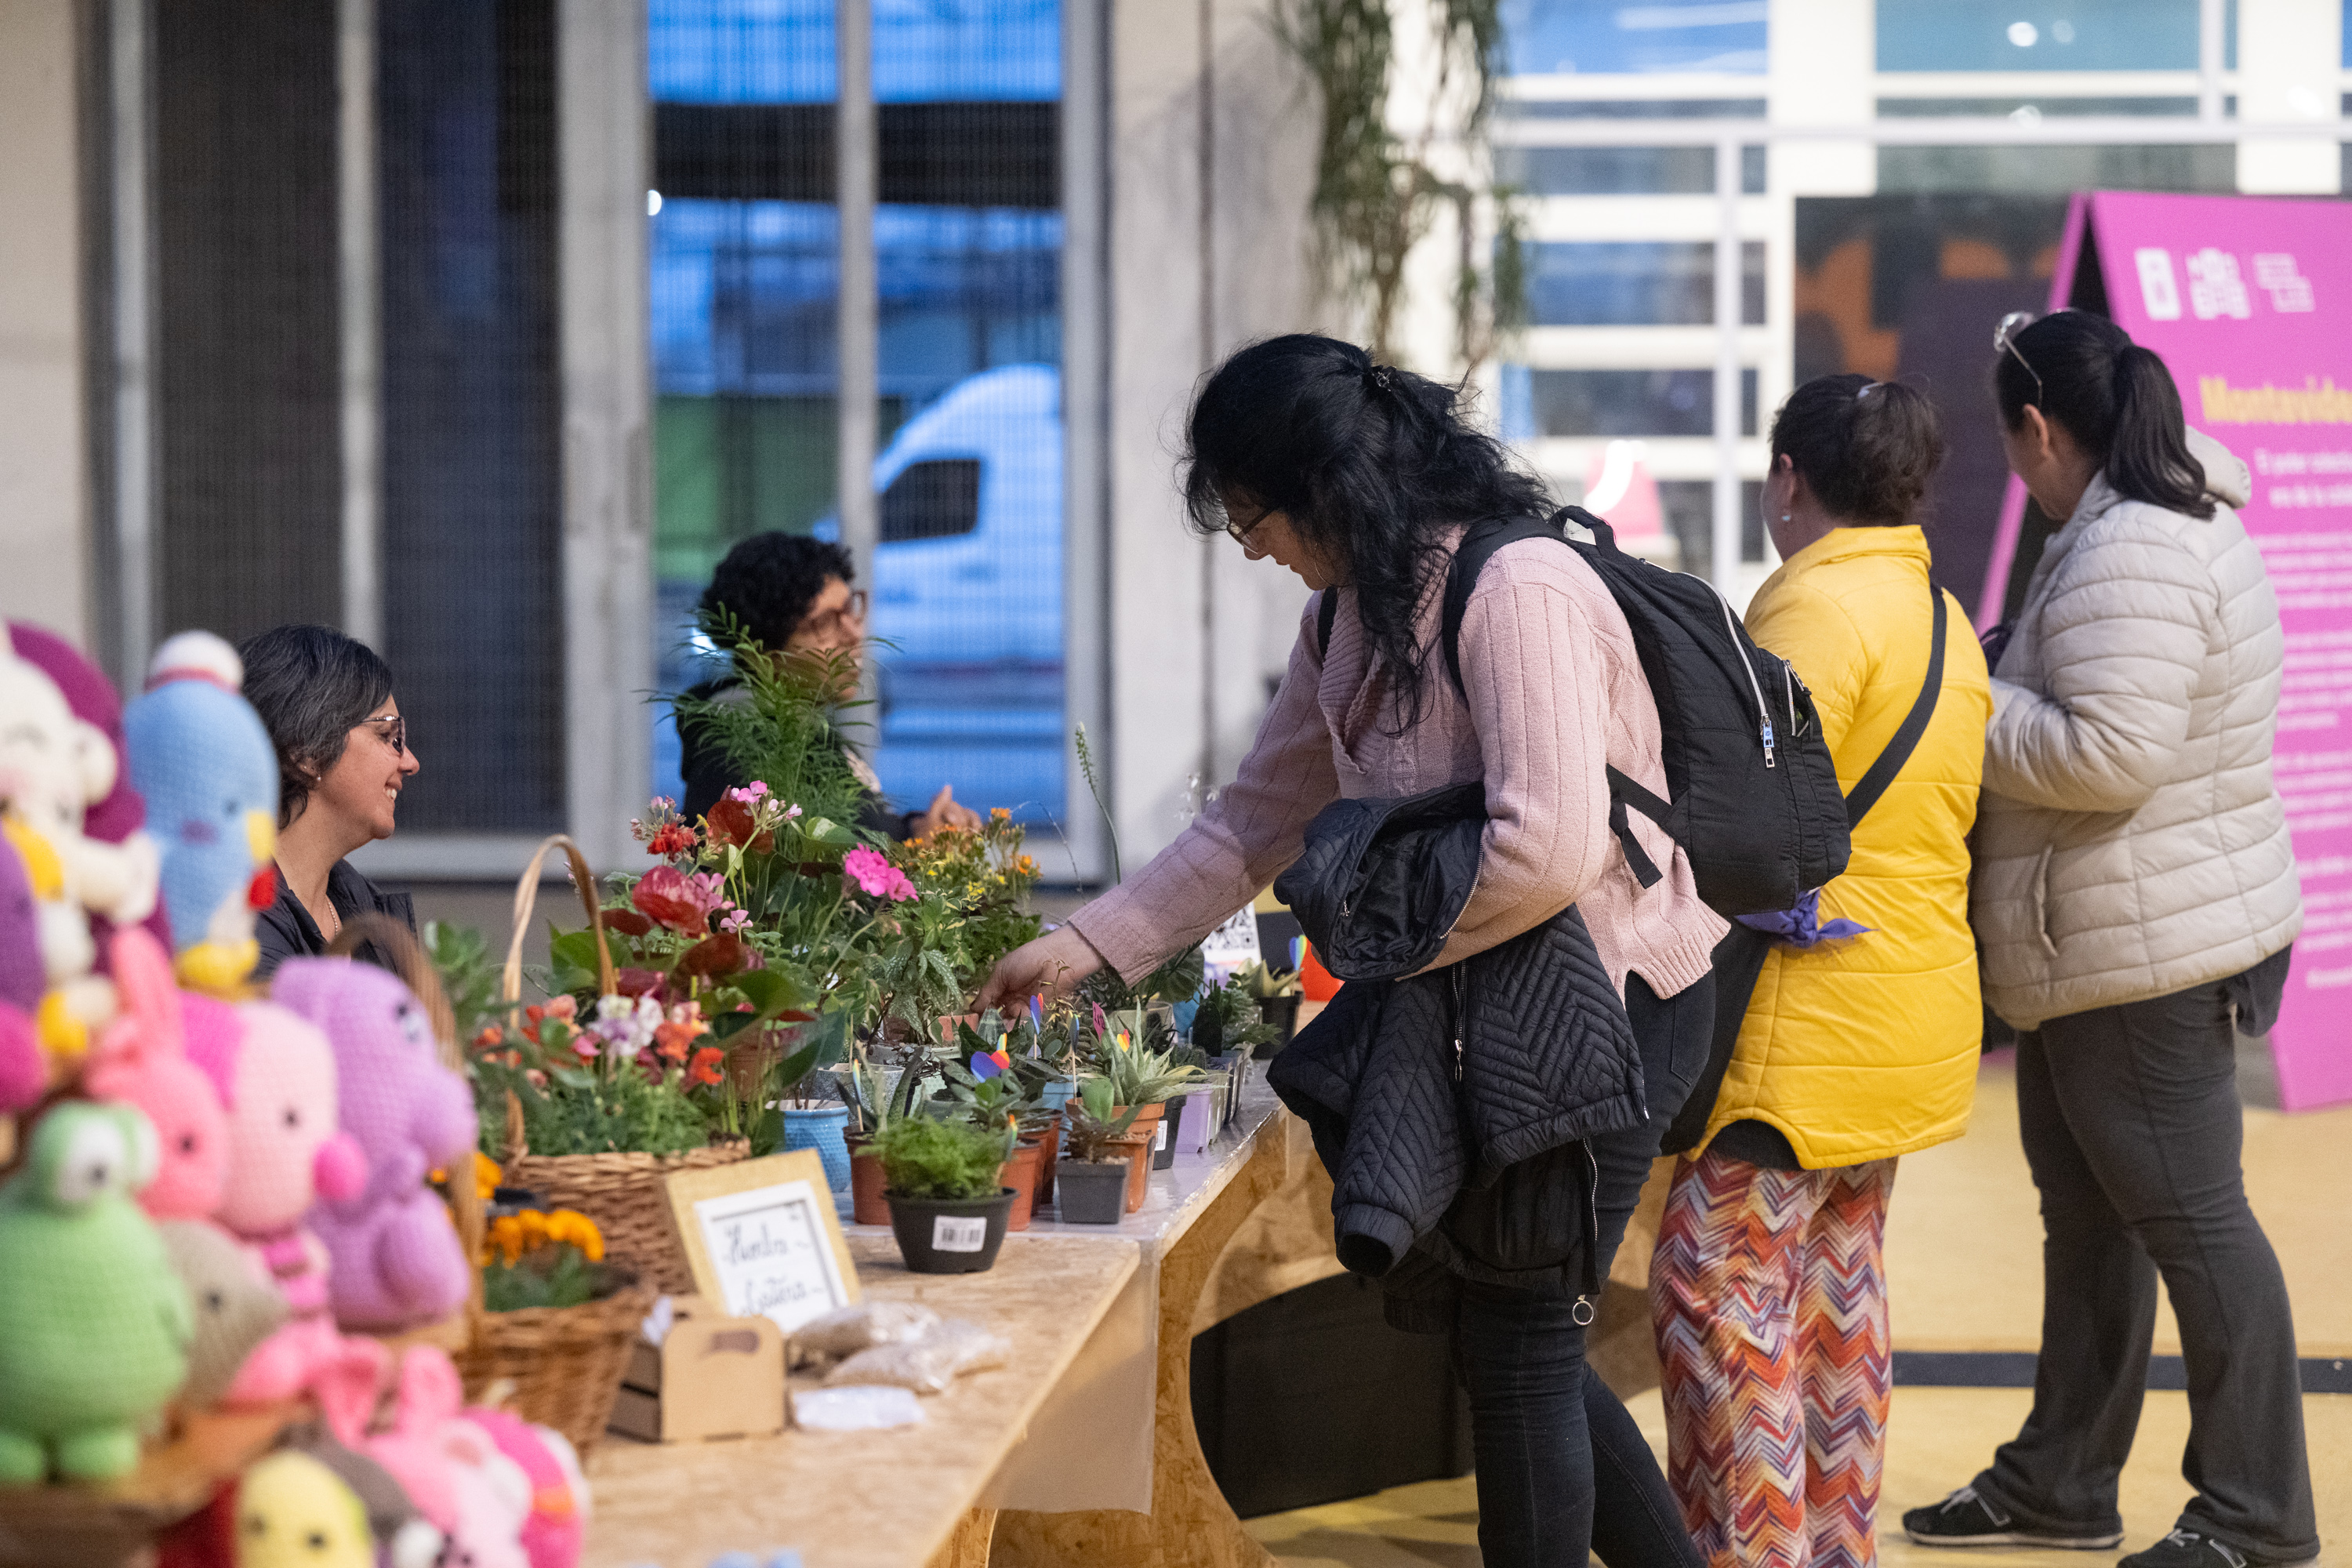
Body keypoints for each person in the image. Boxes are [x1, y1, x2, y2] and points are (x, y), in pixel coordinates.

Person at [975, 333, 1729, 1568]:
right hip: (1481, 1002)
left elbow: (1544, 850)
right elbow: (1252, 823)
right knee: (1509, 1338)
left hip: (1609, 1006)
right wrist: (1085, 948)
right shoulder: (1350, 613)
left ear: (1322, 487)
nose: (1251, 543)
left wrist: (1389, 948)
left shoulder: (1519, 587)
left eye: (1247, 512)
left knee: (1527, 1345)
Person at [1904, 314, 2314, 1568]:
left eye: (2006, 439)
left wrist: (1972, 696)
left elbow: (2108, 753)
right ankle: (2061, 1479)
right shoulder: (2133, 527)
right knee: (2088, 1224)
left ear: (2037, 429)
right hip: (2110, 933)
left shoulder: (2136, 548)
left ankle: (2254, 1516)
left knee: (2195, 1223)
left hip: (2149, 946)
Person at [1646, 376, 1990, 1568]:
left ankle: (1758, 1552)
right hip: (1906, 1013)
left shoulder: (1813, 621)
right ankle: (1833, 1546)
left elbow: (1743, 825)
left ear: (1789, 477)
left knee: (1715, 1285)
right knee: (1837, 1300)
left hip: (1804, 1026)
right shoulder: (1939, 613)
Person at [680, 532, 981, 841]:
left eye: (850, 609)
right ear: (761, 654)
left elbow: (861, 837)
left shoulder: (802, 731)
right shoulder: (738, 753)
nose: (853, 633)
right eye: (824, 624)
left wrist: (922, 830)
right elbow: (789, 883)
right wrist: (915, 851)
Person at [239, 624, 419, 978]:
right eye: (389, 736)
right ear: (305, 753)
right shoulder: (235, 928)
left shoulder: (364, 911)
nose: (410, 762)